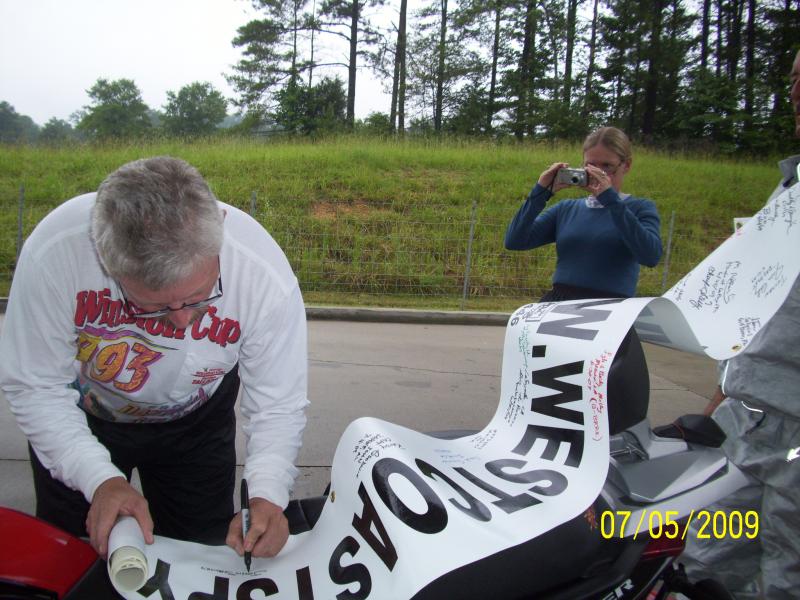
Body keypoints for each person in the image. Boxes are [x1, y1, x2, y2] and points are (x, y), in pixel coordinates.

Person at [0, 156, 309, 562]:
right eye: (155, 308)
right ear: (108, 266)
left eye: (199, 297)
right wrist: (98, 479)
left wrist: (268, 493)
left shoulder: (262, 273)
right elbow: (36, 385)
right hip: (84, 417)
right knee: (75, 559)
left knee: (202, 554)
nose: (181, 321)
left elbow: (277, 402)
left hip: (196, 426)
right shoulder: (57, 252)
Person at [681, 49, 800, 599]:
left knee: (785, 574)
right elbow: (761, 317)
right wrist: (719, 399)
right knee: (708, 556)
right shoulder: (789, 190)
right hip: (747, 420)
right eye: (795, 76)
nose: (797, 91)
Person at [505, 126, 662, 301]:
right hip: (562, 303)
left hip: (611, 309)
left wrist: (611, 200)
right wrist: (541, 191)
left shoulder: (640, 208)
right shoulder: (566, 209)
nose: (598, 173)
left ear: (626, 165)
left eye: (607, 166)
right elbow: (515, 241)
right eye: (591, 165)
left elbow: (650, 256)